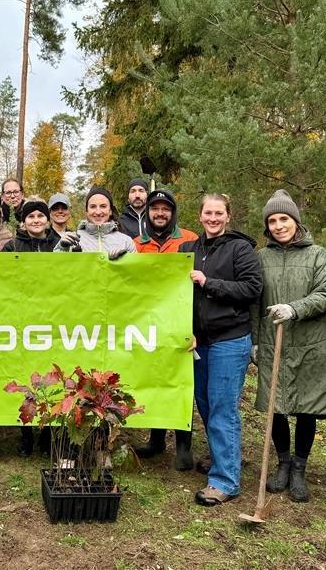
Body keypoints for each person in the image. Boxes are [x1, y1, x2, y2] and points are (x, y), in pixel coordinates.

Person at [252, 189, 326, 503]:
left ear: (296, 221)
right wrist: (254, 341)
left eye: (284, 219)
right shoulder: (261, 257)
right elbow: (254, 302)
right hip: (271, 341)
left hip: (309, 342)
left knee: (307, 406)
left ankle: (300, 468)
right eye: (272, 221)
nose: (278, 225)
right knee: (275, 406)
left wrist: (294, 308)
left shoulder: (317, 255)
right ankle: (283, 463)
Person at [178, 193, 262, 506]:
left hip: (230, 339)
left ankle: (225, 480)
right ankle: (222, 457)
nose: (213, 218)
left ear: (228, 216)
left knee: (223, 409)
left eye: (218, 213)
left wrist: (208, 282)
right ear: (199, 216)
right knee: (205, 404)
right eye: (208, 213)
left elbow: (252, 288)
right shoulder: (188, 250)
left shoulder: (240, 249)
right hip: (200, 341)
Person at [132, 189, 198, 470]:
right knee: (154, 376)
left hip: (181, 320)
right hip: (148, 321)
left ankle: (183, 444)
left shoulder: (190, 239)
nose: (160, 213)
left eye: (165, 209)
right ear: (147, 212)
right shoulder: (137, 243)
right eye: (155, 208)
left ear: (173, 212)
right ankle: (156, 439)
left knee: (180, 380)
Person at [1, 200, 59, 455]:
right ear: (23, 221)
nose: (36, 220)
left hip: (52, 318)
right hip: (21, 319)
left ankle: (47, 436)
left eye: (40, 216)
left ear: (47, 219)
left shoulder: (60, 245)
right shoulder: (12, 246)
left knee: (50, 377)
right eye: (31, 216)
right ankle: (25, 435)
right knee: (25, 376)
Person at [54, 187, 137, 258]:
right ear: (86, 211)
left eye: (103, 206)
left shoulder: (126, 241)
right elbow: (56, 268)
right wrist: (62, 248)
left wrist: (125, 260)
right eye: (93, 207)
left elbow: (135, 269)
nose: (98, 212)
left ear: (110, 211)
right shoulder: (73, 240)